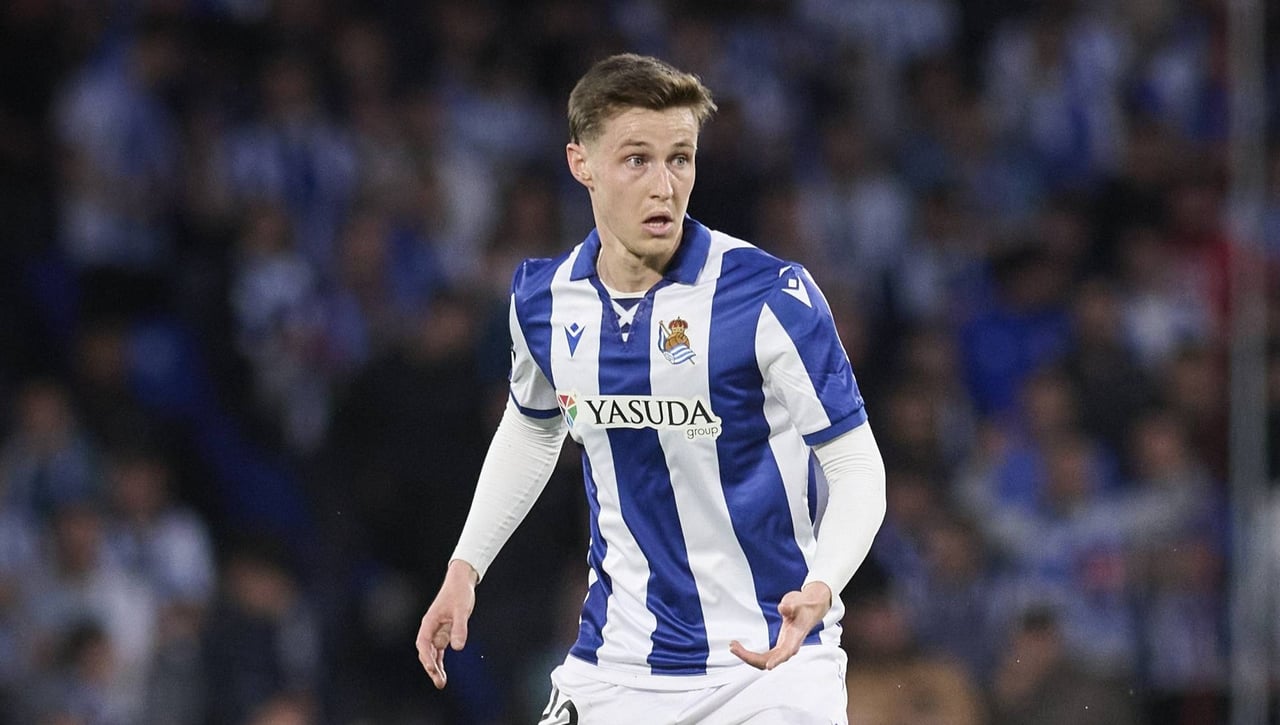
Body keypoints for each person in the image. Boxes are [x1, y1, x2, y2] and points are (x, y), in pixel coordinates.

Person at [416, 53, 887, 724]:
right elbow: (533, 427)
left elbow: (857, 466)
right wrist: (465, 567)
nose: (664, 186)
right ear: (582, 163)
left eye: (680, 159)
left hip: (769, 663)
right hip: (616, 667)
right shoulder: (542, 299)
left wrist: (822, 584)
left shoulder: (770, 296)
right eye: (637, 159)